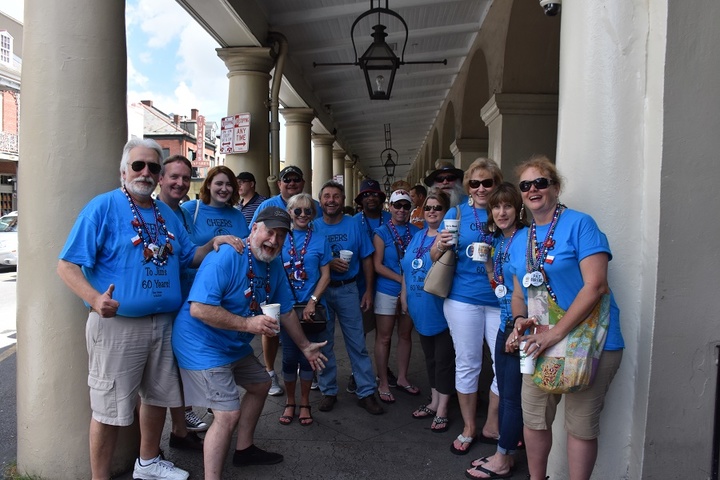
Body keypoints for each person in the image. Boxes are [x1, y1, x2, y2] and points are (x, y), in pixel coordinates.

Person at [56, 138, 244, 480]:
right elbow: (67, 266)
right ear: (123, 171)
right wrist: (96, 300)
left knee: (158, 396)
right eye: (138, 165)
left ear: (159, 175)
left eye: (153, 167)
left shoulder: (167, 214)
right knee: (108, 409)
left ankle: (147, 462)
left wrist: (213, 243)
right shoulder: (102, 208)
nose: (145, 172)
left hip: (163, 323)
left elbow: (189, 257)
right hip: (118, 326)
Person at [171, 207, 327, 480]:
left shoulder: (273, 263)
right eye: (269, 231)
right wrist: (248, 324)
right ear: (254, 228)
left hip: (232, 344)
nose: (274, 240)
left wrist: (305, 346)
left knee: (261, 384)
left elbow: (287, 311)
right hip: (201, 345)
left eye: (281, 235)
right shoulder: (227, 256)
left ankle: (244, 450)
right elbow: (199, 309)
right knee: (227, 414)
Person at [504, 155, 624, 480]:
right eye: (526, 185)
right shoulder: (521, 239)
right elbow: (519, 293)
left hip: (590, 342)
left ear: (555, 188)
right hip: (541, 343)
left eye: (540, 182)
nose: (533, 189)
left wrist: (553, 334)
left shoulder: (580, 224)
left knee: (581, 425)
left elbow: (596, 284)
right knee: (534, 418)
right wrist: (520, 322)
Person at [432, 157, 502, 456]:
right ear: (467, 187)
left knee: (503, 366)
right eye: (475, 183)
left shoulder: (506, 210)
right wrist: (442, 244)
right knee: (468, 363)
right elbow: (435, 254)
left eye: (488, 182)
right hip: (463, 298)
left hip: (501, 300)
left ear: (497, 184)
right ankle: (470, 426)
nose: (481, 188)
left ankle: (494, 424)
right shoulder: (456, 212)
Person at [466, 182, 527, 479]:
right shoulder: (500, 241)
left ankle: (504, 458)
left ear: (518, 209)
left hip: (521, 326)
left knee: (512, 395)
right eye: (496, 206)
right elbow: (502, 288)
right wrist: (491, 270)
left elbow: (530, 290)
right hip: (506, 323)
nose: (502, 212)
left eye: (508, 206)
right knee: (504, 390)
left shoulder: (525, 238)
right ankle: (503, 451)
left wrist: (519, 327)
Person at [313, 180, 384, 415]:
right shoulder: (313, 227)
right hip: (321, 292)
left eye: (336, 196)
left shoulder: (354, 224)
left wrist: (368, 291)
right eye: (327, 196)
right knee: (324, 343)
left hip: (348, 289)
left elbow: (366, 259)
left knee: (357, 343)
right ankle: (328, 390)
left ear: (343, 200)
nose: (331, 200)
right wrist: (328, 262)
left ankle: (366, 392)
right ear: (320, 200)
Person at [250, 165, 316, 397]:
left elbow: (313, 234)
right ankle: (269, 371)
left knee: (297, 323)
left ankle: (305, 365)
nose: (291, 183)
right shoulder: (268, 206)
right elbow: (253, 237)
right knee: (271, 327)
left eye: (296, 179)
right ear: (279, 184)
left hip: (299, 281)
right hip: (270, 273)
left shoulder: (308, 205)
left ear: (303, 183)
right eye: (286, 179)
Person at [156, 154, 206, 449]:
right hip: (164, 302)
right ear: (161, 179)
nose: (180, 182)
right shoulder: (154, 210)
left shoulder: (185, 212)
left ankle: (179, 428)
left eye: (185, 178)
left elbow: (190, 254)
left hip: (185, 299)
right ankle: (165, 437)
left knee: (177, 368)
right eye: (173, 177)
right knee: (162, 375)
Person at [400, 190, 455, 433]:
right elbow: (406, 269)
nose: (432, 211)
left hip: (440, 308)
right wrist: (404, 296)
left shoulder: (450, 237)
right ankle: (434, 401)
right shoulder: (418, 236)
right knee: (430, 358)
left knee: (444, 360)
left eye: (438, 208)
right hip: (418, 307)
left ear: (446, 211)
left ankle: (443, 408)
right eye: (428, 207)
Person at [277, 193, 331, 427]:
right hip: (287, 310)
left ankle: (306, 403)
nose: (302, 215)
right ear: (289, 213)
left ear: (313, 214)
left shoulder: (320, 239)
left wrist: (312, 301)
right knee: (289, 359)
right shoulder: (280, 238)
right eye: (297, 211)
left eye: (307, 211)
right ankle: (290, 402)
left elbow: (326, 275)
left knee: (309, 358)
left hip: (312, 310)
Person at [372, 189, 421, 404]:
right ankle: (383, 381)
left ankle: (401, 378)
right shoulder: (381, 232)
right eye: (397, 205)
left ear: (410, 208)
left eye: (405, 206)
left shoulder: (416, 231)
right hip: (387, 289)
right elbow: (377, 265)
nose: (401, 210)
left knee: (405, 335)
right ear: (389, 207)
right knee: (383, 337)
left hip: (409, 291)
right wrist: (402, 280)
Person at [349, 178, 394, 394]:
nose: (371, 198)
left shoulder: (390, 219)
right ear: (360, 200)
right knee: (360, 331)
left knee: (384, 333)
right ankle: (356, 372)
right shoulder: (354, 222)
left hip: (387, 283)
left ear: (381, 198)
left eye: (374, 194)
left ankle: (382, 370)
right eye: (366, 195)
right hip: (361, 284)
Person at [181, 165, 249, 248]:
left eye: (229, 184)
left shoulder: (238, 216)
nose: (224, 189)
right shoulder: (190, 209)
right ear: (208, 185)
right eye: (219, 184)